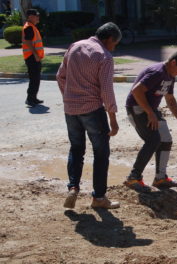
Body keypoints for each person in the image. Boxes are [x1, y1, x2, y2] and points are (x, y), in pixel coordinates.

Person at [56, 22, 121, 209]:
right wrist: (113, 120)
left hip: (70, 110)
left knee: (76, 149)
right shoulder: (104, 56)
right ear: (109, 39)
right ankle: (99, 197)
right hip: (92, 109)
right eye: (114, 44)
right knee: (101, 153)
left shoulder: (75, 46)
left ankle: (73, 187)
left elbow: (61, 76)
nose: (113, 48)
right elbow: (107, 91)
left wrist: (69, 97)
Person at [124, 51, 177, 190]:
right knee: (153, 140)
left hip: (151, 110)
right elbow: (136, 91)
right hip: (137, 108)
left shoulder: (170, 76)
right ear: (173, 63)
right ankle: (133, 178)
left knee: (166, 139)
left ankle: (160, 179)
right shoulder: (157, 72)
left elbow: (170, 99)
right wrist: (150, 113)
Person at [22, 8, 44, 107]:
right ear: (30, 17)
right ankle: (30, 99)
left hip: (33, 56)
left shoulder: (32, 26)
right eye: (36, 15)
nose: (38, 17)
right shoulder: (29, 27)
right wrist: (35, 54)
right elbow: (28, 42)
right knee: (34, 78)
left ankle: (33, 98)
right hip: (31, 57)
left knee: (36, 78)